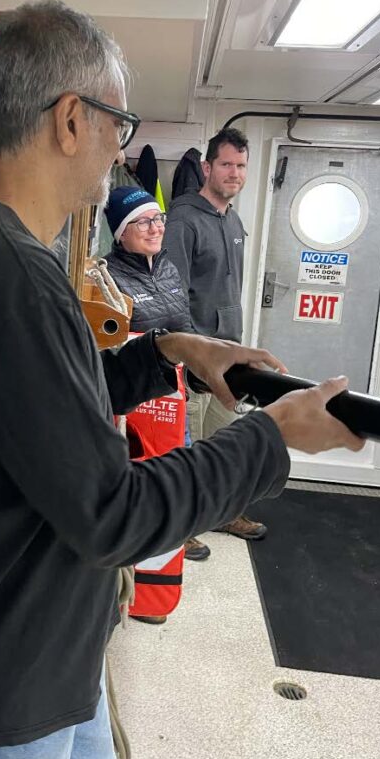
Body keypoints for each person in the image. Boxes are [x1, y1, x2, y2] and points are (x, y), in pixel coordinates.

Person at [0, 0, 363, 759]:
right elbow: (110, 511)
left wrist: (176, 350)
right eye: (119, 124)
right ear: (71, 119)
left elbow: (51, 415)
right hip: (9, 687)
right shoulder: (8, 274)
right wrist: (272, 437)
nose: (123, 148)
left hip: (52, 662)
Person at [164, 127, 266, 541]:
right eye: (226, 164)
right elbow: (173, 294)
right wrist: (192, 355)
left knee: (224, 444)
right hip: (195, 360)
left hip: (229, 358)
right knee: (188, 449)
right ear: (207, 167)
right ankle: (183, 527)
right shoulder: (184, 220)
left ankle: (222, 512)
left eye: (241, 166)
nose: (234, 173)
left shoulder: (234, 220)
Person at [104, 185, 211, 566]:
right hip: (135, 405)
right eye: (142, 222)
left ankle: (174, 536)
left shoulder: (167, 268)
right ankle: (141, 562)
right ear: (121, 233)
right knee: (143, 480)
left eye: (158, 218)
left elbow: (184, 327)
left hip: (172, 395)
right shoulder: (109, 279)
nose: (155, 228)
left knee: (177, 464)